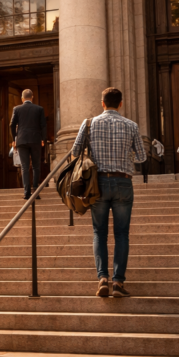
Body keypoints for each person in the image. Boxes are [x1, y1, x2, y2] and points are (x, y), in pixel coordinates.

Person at [70, 87, 147, 298]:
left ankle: (103, 278)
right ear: (120, 104)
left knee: (99, 233)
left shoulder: (89, 124)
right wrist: (125, 158)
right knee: (122, 233)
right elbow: (142, 156)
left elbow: (75, 152)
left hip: (98, 183)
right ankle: (118, 282)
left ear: (102, 103)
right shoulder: (131, 125)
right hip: (123, 182)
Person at [10, 89, 47, 199]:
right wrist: (43, 139)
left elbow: (12, 125)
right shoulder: (39, 109)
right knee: (36, 166)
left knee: (24, 167)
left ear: (22, 98)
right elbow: (43, 125)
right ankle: (36, 192)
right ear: (32, 97)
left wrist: (14, 139)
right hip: (35, 140)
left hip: (21, 140)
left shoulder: (16, 109)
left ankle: (26, 192)